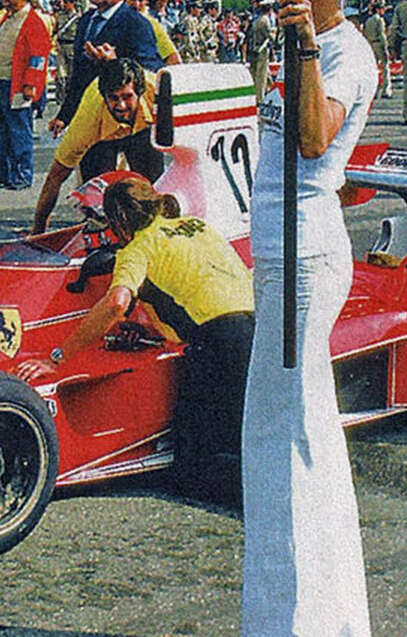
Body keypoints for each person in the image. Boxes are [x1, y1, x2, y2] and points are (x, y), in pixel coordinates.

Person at [237, 0, 378, 636]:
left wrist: (305, 49)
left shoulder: (348, 50)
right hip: (272, 250)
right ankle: (293, 613)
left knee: (290, 434)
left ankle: (306, 620)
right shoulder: (284, 41)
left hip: (307, 251)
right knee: (275, 432)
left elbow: (314, 142)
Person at [14, 176, 253, 498]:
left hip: (218, 344)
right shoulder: (195, 225)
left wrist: (56, 358)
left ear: (119, 222)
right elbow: (198, 282)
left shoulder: (137, 249)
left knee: (190, 468)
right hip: (256, 330)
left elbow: (116, 304)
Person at [30, 57, 159, 233]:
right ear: (104, 96)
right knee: (100, 201)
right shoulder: (88, 120)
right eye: (113, 98)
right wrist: (38, 229)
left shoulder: (158, 92)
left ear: (140, 93)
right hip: (101, 138)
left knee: (154, 186)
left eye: (127, 97)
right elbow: (56, 176)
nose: (120, 105)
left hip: (143, 128)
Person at [51, 0, 161, 138]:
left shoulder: (136, 23)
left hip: (125, 128)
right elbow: (79, 78)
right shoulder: (85, 21)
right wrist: (64, 116)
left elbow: (151, 73)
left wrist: (115, 63)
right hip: (90, 123)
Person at [0, 0, 53, 191]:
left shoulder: (33, 22)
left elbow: (38, 57)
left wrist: (31, 84)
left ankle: (22, 175)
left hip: (16, 86)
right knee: (0, 130)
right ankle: (2, 172)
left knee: (19, 130)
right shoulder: (7, 18)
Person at [126, 0, 183, 65]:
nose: (136, 4)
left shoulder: (152, 24)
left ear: (146, 1)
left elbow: (173, 58)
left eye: (141, 0)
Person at [359, 0, 389, 97]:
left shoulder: (368, 20)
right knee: (385, 67)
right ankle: (386, 89)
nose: (383, 10)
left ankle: (374, 91)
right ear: (378, 10)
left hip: (370, 44)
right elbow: (381, 35)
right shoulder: (379, 20)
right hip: (378, 44)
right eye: (382, 8)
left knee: (373, 68)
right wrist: (386, 47)